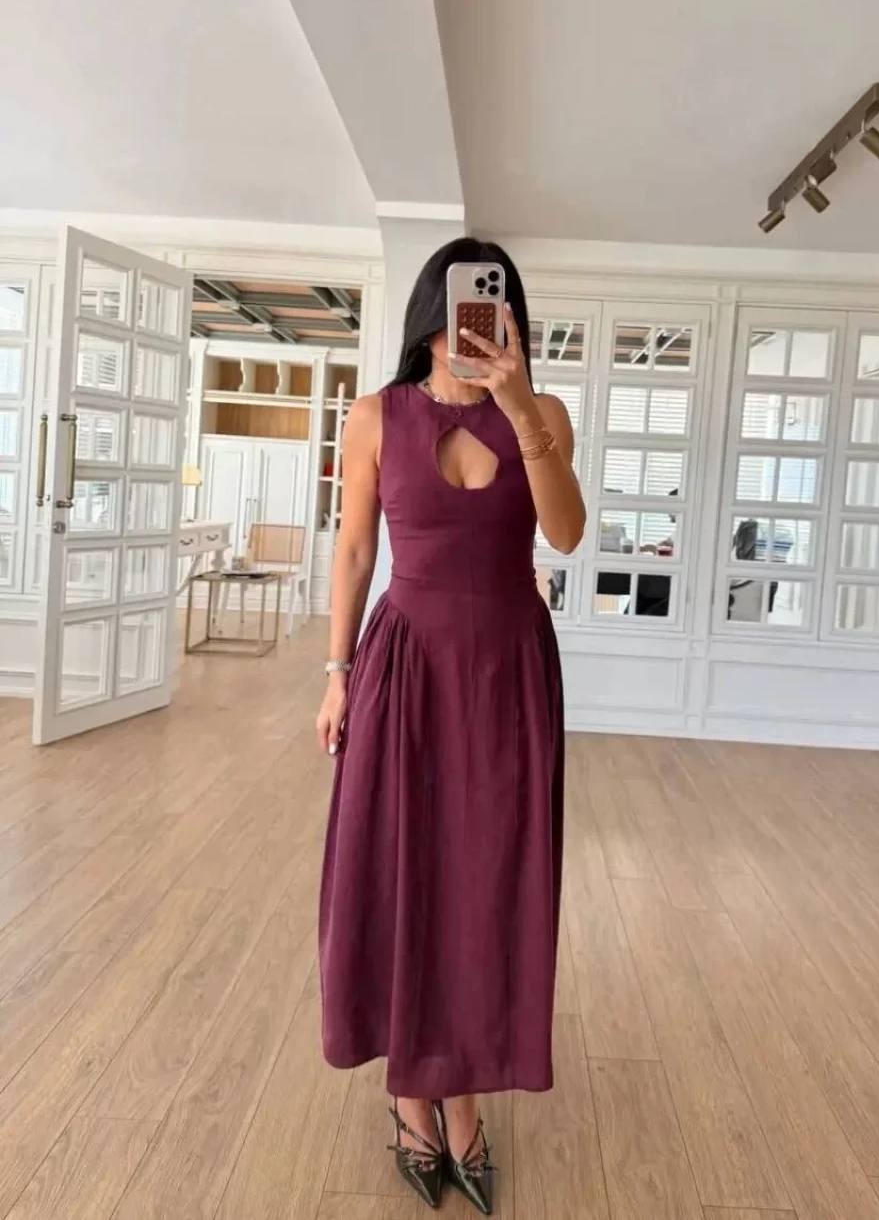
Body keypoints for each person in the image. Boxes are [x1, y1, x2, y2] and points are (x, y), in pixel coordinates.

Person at [316, 238, 585, 1214]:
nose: (474, 326)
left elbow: (565, 534)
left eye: (495, 307)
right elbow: (355, 551)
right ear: (433, 314)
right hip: (405, 666)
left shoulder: (542, 413)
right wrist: (336, 674)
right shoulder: (375, 416)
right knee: (398, 868)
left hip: (510, 670)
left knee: (488, 880)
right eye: (464, 307)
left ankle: (462, 1094)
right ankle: (410, 1089)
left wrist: (518, 406)